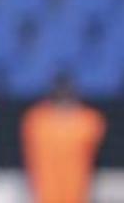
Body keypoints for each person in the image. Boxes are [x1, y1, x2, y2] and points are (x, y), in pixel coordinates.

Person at [21, 74, 106, 203]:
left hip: (78, 192)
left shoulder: (89, 120)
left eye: (67, 93)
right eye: (60, 93)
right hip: (45, 194)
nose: (64, 97)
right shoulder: (37, 119)